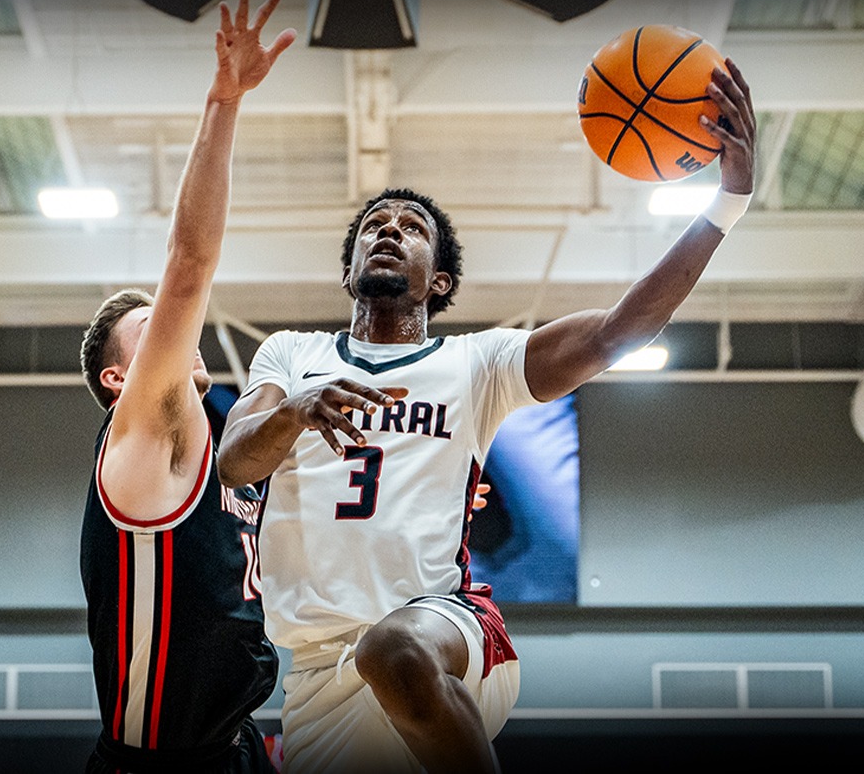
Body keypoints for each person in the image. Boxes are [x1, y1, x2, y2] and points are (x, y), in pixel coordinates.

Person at [217, 63, 758, 774]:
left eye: (411, 227)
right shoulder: (291, 354)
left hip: (446, 628)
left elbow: (616, 332)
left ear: (437, 280)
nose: (389, 229)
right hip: (319, 666)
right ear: (349, 270)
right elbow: (235, 462)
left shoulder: (478, 363)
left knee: (395, 647)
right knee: (380, 656)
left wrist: (728, 202)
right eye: (374, 225)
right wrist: (294, 409)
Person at [77, 0, 295, 773]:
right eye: (153, 330)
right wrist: (224, 102)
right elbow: (189, 265)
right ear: (117, 378)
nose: (177, 332)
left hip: (236, 745)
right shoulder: (140, 437)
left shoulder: (225, 444)